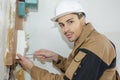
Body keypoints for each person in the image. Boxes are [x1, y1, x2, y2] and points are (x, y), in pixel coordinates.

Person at [17, 0, 117, 80]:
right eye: (61, 25)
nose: (65, 30)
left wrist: (31, 68)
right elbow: (76, 70)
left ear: (82, 19)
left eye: (70, 22)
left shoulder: (96, 46)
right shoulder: (84, 39)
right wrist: (56, 57)